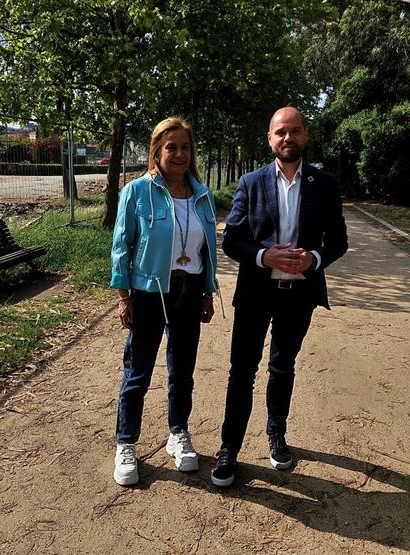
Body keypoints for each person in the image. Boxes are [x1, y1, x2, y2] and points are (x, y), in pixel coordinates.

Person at [210, 107, 348, 487]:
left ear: (305, 135)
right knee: (242, 371)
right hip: (256, 293)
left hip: (298, 296)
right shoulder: (251, 183)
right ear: (270, 139)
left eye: (295, 131)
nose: (288, 138)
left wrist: (315, 259)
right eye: (280, 132)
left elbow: (339, 241)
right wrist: (262, 255)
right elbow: (232, 239)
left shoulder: (324, 184)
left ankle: (277, 435)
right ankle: (229, 449)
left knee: (282, 368)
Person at [110, 117, 219, 486]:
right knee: (137, 372)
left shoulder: (202, 195)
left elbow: (207, 250)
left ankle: (178, 434)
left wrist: (207, 291)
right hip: (149, 291)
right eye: (171, 147)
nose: (179, 154)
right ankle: (126, 443)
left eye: (185, 147)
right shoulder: (137, 191)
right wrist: (124, 296)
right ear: (156, 151)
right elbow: (121, 247)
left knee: (182, 371)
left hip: (189, 293)